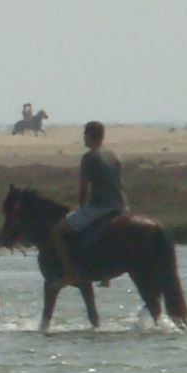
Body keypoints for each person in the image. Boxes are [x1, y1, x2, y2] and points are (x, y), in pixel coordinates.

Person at [51, 120, 128, 287]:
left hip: (99, 207)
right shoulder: (114, 155)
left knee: (58, 232)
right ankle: (105, 275)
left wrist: (81, 208)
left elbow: (84, 188)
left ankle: (70, 274)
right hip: (121, 206)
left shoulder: (88, 158)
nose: (83, 138)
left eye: (85, 135)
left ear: (89, 136)